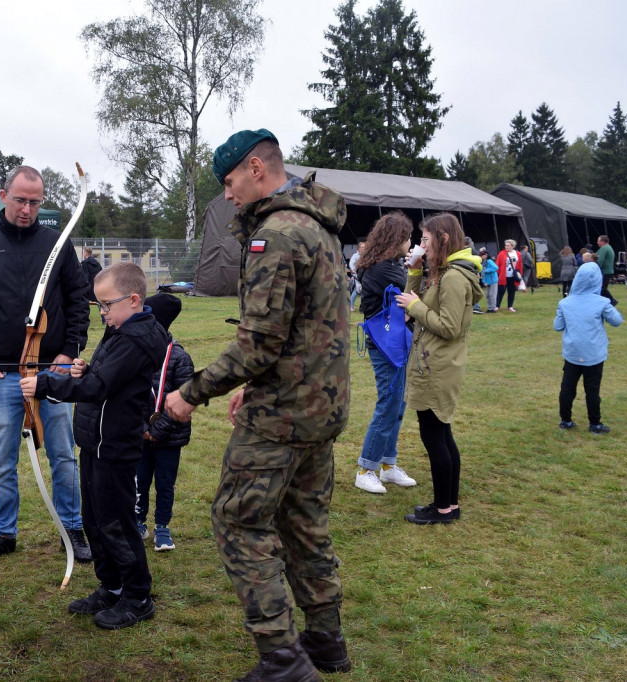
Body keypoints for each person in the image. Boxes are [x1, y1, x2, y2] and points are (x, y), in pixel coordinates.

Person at [164, 129, 352, 679]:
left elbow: (260, 341)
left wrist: (190, 392)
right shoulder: (319, 228)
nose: (227, 196)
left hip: (282, 418)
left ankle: (282, 657)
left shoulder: (276, 235)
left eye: (229, 182)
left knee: (238, 521)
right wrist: (256, 379)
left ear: (256, 168)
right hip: (321, 408)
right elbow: (306, 331)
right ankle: (325, 642)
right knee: (305, 526)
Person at [0, 165, 92, 566]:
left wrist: (68, 351)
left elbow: (79, 300)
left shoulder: (56, 244)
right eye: (20, 200)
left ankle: (73, 527)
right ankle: (3, 533)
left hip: (52, 373)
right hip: (2, 375)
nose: (27, 209)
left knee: (63, 454)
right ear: (3, 196)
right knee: (2, 459)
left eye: (35, 202)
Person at [21, 262, 169, 630]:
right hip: (94, 441)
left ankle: (137, 597)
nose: (102, 312)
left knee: (116, 523)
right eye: (98, 305)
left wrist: (46, 385)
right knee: (95, 520)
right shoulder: (121, 329)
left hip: (115, 446)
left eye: (106, 304)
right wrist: (84, 369)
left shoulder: (137, 338)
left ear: (134, 300)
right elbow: (102, 377)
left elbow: (99, 389)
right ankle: (113, 586)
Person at [395, 213, 482, 525]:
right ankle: (449, 505)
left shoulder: (455, 278)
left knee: (435, 438)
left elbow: (448, 326)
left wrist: (416, 307)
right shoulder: (444, 273)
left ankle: (443, 508)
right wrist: (416, 272)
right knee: (442, 434)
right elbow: (416, 301)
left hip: (437, 366)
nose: (422, 245)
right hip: (433, 362)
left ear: (443, 240)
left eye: (426, 240)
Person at [353, 212, 417, 495]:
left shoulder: (385, 264)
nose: (411, 242)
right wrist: (415, 266)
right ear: (396, 240)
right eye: (408, 237)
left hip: (394, 341)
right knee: (389, 402)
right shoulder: (384, 269)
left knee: (398, 403)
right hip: (385, 344)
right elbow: (412, 291)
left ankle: (388, 466)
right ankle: (366, 469)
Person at [136, 293, 193, 551]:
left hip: (169, 438)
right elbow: (128, 396)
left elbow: (184, 401)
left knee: (165, 483)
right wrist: (143, 429)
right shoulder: (135, 354)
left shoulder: (180, 359)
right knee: (139, 480)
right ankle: (138, 521)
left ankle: (162, 526)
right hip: (141, 435)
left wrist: (157, 430)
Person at [555, 262, 622, 434]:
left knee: (568, 387)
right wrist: (607, 302)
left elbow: (558, 326)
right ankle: (595, 423)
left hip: (573, 352)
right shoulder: (601, 302)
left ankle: (565, 420)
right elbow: (617, 321)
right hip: (593, 352)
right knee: (592, 389)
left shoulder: (565, 302)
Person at [495, 239, 522, 312]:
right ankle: (497, 306)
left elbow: (519, 265)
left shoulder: (518, 254)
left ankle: (510, 306)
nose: (506, 246)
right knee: (500, 291)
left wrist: (519, 274)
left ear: (512, 246)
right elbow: (498, 264)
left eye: (508, 245)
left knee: (512, 291)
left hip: (512, 276)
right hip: (503, 276)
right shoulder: (502, 253)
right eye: (505, 245)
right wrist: (497, 273)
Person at [595, 235, 617, 306]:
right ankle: (605, 302)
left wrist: (594, 267)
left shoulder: (604, 249)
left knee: (602, 288)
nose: (597, 242)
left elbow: (600, 260)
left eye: (598, 241)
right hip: (608, 271)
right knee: (603, 288)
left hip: (604, 271)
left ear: (602, 242)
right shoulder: (609, 247)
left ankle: (612, 300)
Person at [464, 237, 483, 314]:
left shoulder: (458, 251)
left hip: (462, 273)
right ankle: (476, 307)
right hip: (472, 273)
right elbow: (478, 262)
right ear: (470, 243)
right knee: (474, 290)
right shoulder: (473, 251)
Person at [348, 241, 364, 312]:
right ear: (359, 248)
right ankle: (350, 306)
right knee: (357, 291)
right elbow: (351, 264)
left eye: (365, 247)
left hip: (364, 275)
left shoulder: (365, 256)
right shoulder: (355, 256)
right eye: (362, 247)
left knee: (362, 290)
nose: (364, 249)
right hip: (356, 276)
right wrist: (354, 270)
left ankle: (362, 306)